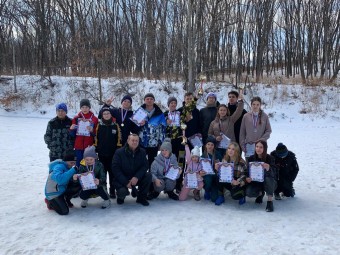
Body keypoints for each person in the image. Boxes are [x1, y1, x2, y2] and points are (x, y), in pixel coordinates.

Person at [112, 134, 152, 206]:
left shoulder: (142, 152)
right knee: (122, 191)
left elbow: (145, 165)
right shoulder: (119, 152)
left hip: (136, 177)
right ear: (128, 141)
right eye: (132, 140)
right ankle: (121, 197)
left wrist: (137, 177)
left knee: (148, 175)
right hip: (123, 178)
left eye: (136, 140)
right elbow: (115, 169)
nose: (135, 142)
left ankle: (141, 198)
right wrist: (126, 182)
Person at [95, 107, 122, 198]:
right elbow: (96, 138)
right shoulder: (99, 125)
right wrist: (96, 149)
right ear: (102, 115)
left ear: (111, 115)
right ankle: (104, 189)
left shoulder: (115, 125)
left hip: (113, 154)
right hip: (102, 154)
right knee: (102, 172)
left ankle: (112, 190)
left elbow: (119, 139)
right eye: (104, 114)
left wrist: (118, 151)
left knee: (112, 173)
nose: (106, 115)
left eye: (108, 113)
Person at [44, 149, 81, 215]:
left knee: (78, 185)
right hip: (53, 193)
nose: (72, 165)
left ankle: (66, 200)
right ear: (65, 161)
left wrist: (75, 179)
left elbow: (69, 180)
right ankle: (50, 202)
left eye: (74, 163)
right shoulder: (58, 167)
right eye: (71, 163)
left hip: (61, 189)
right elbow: (60, 179)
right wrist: (73, 170)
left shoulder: (68, 167)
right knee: (64, 212)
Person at [208, 90, 244, 155]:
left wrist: (240, 101)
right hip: (218, 147)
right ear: (218, 111)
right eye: (221, 110)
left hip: (230, 148)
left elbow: (239, 111)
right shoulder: (213, 123)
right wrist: (216, 138)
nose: (222, 112)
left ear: (226, 111)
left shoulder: (231, 119)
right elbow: (210, 134)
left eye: (224, 110)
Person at [246, 140, 277, 212]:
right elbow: (247, 171)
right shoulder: (251, 158)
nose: (258, 149)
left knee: (268, 178)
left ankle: (269, 201)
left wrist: (269, 168)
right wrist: (248, 177)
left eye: (261, 147)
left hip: (270, 183)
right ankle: (260, 193)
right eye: (257, 147)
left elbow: (274, 173)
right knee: (249, 192)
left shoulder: (270, 158)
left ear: (265, 148)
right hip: (257, 182)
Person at [139, 93, 166, 167]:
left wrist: (161, 142)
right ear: (144, 100)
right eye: (147, 99)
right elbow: (133, 127)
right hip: (142, 143)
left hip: (154, 143)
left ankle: (151, 178)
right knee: (141, 164)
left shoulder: (160, 114)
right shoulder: (139, 112)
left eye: (151, 99)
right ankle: (141, 178)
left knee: (152, 164)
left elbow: (163, 129)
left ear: (154, 101)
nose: (149, 100)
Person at [70, 99, 99, 166]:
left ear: (89, 108)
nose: (84, 109)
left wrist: (92, 131)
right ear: (80, 108)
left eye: (86, 107)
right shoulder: (76, 118)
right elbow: (72, 134)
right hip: (78, 146)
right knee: (79, 164)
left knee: (89, 165)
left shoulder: (94, 119)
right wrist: (71, 129)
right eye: (82, 107)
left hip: (89, 146)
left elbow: (96, 133)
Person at [200, 136, 223, 202]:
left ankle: (216, 190)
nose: (210, 146)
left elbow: (222, 167)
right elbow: (198, 168)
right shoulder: (202, 157)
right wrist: (200, 172)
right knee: (208, 178)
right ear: (205, 145)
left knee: (214, 199)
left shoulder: (218, 155)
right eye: (208, 144)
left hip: (216, 177)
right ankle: (207, 190)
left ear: (214, 146)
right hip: (207, 177)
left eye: (212, 145)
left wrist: (218, 168)